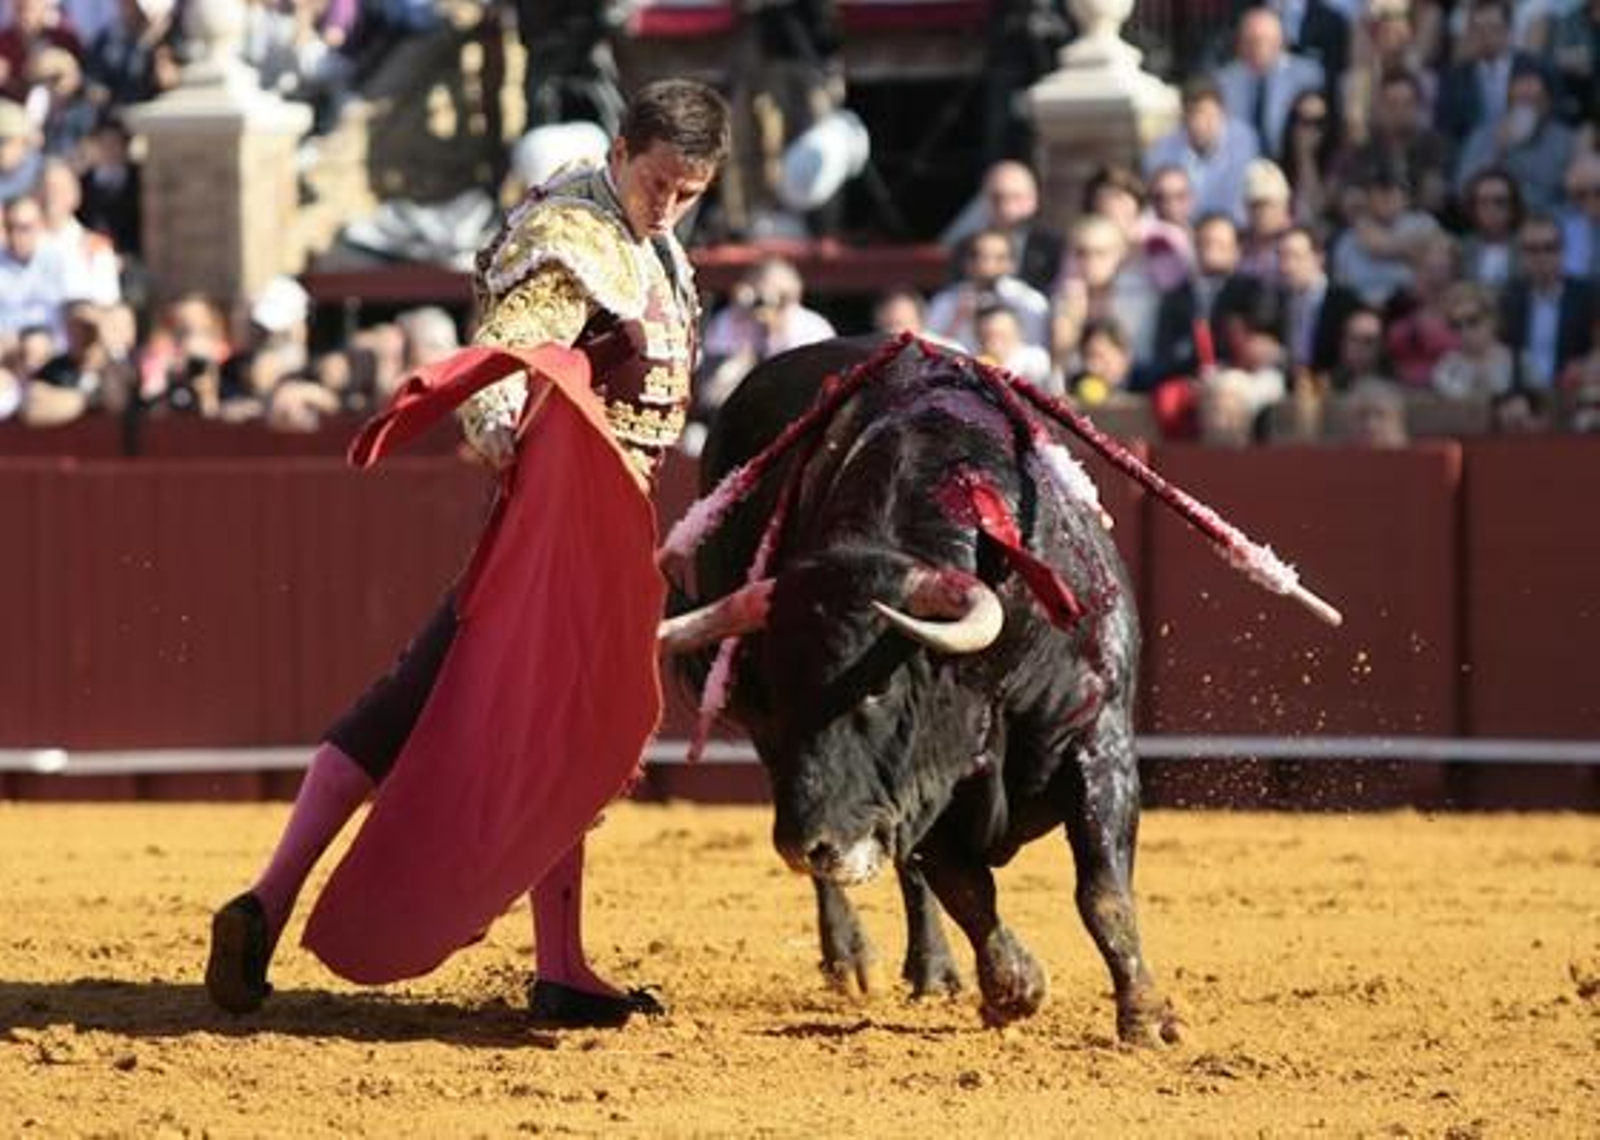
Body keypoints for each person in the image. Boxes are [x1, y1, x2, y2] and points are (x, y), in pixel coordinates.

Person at [204, 79, 731, 1028]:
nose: (671, 207)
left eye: (690, 192)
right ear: (621, 152)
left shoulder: (642, 237)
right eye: (660, 184)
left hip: (606, 523)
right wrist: (505, 434)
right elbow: (508, 354)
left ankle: (289, 906)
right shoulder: (573, 237)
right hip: (559, 524)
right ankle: (291, 903)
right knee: (535, 714)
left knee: (499, 707)